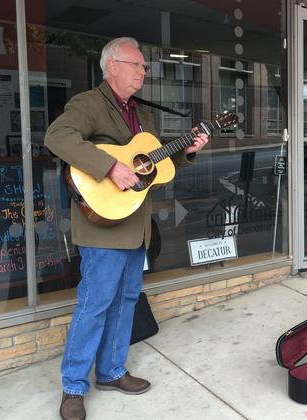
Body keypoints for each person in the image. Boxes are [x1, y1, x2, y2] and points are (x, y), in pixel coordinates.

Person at [44, 37, 208, 420]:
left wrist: (187, 151)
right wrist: (109, 167)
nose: (143, 71)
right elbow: (57, 137)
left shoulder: (141, 115)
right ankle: (73, 387)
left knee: (126, 301)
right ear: (112, 65)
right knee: (94, 304)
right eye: (137, 65)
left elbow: (153, 168)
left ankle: (112, 371)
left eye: (144, 67)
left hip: (136, 226)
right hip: (102, 228)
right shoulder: (89, 104)